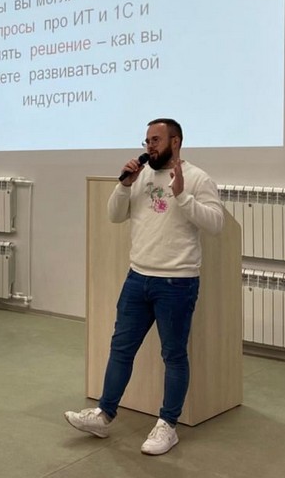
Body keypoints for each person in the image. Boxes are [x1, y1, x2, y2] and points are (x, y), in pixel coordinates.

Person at [65, 118, 224, 455]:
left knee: (173, 355)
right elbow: (114, 215)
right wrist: (124, 185)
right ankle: (104, 415)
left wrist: (182, 196)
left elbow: (215, 224)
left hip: (177, 282)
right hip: (137, 277)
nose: (149, 146)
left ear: (175, 142)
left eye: (156, 140)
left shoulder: (197, 177)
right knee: (121, 348)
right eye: (147, 140)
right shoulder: (140, 176)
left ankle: (168, 425)